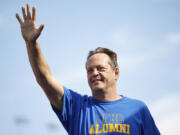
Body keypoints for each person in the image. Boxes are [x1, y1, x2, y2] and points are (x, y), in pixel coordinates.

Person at [16, 4, 160, 135]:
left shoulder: (138, 109)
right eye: (90, 70)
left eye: (100, 68)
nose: (95, 73)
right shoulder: (75, 106)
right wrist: (31, 43)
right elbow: (45, 79)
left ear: (116, 72)